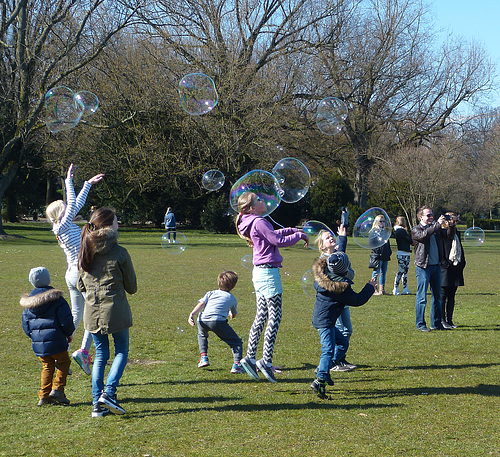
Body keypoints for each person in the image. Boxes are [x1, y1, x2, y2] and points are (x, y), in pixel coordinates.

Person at [235, 191, 309, 383]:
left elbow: (274, 234)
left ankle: (250, 358)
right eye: (258, 200)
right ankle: (265, 361)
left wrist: (293, 230)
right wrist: (298, 236)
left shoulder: (253, 221)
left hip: (260, 272)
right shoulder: (258, 221)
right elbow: (277, 241)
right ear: (252, 207)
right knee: (274, 316)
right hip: (268, 273)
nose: (263, 201)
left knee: (261, 315)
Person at [78, 207, 137, 417]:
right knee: (121, 350)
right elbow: (132, 286)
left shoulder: (85, 248)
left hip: (92, 310)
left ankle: (96, 403)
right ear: (108, 225)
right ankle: (109, 393)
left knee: (101, 354)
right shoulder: (120, 252)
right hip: (116, 309)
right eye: (116, 221)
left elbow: (80, 284)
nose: (118, 224)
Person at [45, 164, 104, 375]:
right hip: (81, 273)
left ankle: (63, 353)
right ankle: (83, 352)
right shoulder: (62, 225)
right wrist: (69, 180)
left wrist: (87, 184)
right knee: (93, 313)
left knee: (77, 315)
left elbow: (75, 204)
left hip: (72, 273)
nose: (68, 207)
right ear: (62, 212)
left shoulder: (61, 226)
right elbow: (73, 206)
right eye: (65, 206)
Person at [310, 252, 377, 398]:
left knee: (342, 343)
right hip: (325, 323)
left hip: (322, 320)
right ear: (345, 270)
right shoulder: (340, 288)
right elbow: (358, 300)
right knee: (328, 349)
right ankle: (320, 380)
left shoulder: (323, 278)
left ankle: (325, 368)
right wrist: (370, 287)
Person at [20, 267, 75, 406]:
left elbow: (26, 325)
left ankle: (44, 396)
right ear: (49, 279)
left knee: (47, 365)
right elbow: (66, 320)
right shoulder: (57, 299)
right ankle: (58, 390)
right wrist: (69, 333)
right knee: (63, 363)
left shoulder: (28, 304)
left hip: (39, 344)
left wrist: (34, 337)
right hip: (57, 341)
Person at [315, 227, 357, 372]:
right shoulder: (322, 263)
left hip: (343, 301)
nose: (331, 238)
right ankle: (332, 363)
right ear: (322, 246)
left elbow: (351, 274)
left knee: (347, 331)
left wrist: (342, 237)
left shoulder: (340, 257)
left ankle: (338, 359)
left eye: (332, 236)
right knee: (340, 331)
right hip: (333, 303)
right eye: (327, 238)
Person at [188, 271, 243, 373]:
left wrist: (192, 314)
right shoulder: (232, 298)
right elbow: (234, 313)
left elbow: (202, 304)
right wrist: (231, 314)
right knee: (236, 342)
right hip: (218, 321)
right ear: (233, 286)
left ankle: (203, 358)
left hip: (202, 320)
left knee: (202, 335)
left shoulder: (211, 293)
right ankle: (237, 365)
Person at [411, 206, 450, 332]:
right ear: (420, 217)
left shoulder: (436, 228)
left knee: (437, 296)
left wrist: (450, 224)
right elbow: (423, 236)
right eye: (428, 215)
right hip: (423, 266)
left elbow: (447, 235)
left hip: (436, 266)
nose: (431, 217)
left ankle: (436, 323)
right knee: (422, 297)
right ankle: (420, 324)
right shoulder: (416, 229)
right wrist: (436, 225)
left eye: (432, 215)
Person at [438, 212, 466, 329]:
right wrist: (444, 263)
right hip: (445, 267)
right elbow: (448, 236)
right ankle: (442, 320)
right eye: (448, 217)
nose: (451, 220)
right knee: (443, 295)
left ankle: (450, 320)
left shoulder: (456, 233)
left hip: (456, 266)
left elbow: (458, 247)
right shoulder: (441, 232)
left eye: (453, 218)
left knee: (452, 295)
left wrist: (462, 263)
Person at [369, 215, 392, 295]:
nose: (382, 223)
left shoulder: (385, 232)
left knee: (383, 273)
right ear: (376, 222)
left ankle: (382, 290)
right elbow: (371, 244)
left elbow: (387, 243)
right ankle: (373, 289)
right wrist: (378, 250)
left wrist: (389, 252)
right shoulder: (373, 232)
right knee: (376, 272)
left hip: (385, 254)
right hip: (377, 255)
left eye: (383, 221)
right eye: (380, 221)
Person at [392, 216, 413, 295]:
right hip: (403, 253)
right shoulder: (402, 231)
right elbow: (410, 240)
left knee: (404, 271)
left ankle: (404, 288)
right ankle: (396, 288)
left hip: (403, 252)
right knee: (402, 271)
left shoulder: (398, 231)